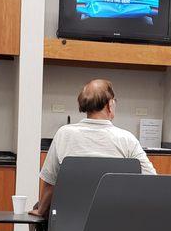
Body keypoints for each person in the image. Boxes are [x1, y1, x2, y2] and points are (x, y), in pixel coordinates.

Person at [30, 79, 156, 221]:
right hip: (115, 221)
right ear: (110, 104)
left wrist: (40, 211)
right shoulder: (127, 139)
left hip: (68, 223)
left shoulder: (63, 134)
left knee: (39, 206)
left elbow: (50, 184)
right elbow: (151, 179)